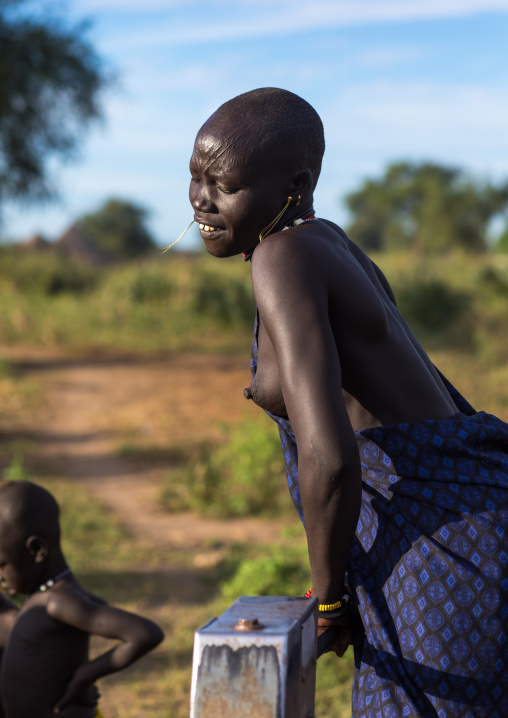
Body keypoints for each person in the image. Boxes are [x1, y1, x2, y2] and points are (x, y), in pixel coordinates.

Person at [185, 87, 508, 718]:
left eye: (222, 183)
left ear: (295, 184)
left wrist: (329, 600)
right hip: (460, 529)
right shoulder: (326, 244)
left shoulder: (283, 256)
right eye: (194, 177)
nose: (200, 199)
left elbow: (330, 456)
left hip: (441, 550)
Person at [0, 480, 164, 718]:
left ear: (37, 550)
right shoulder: (46, 597)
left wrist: (84, 677)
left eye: (2, 564)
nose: (0, 577)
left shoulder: (58, 601)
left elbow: (144, 634)